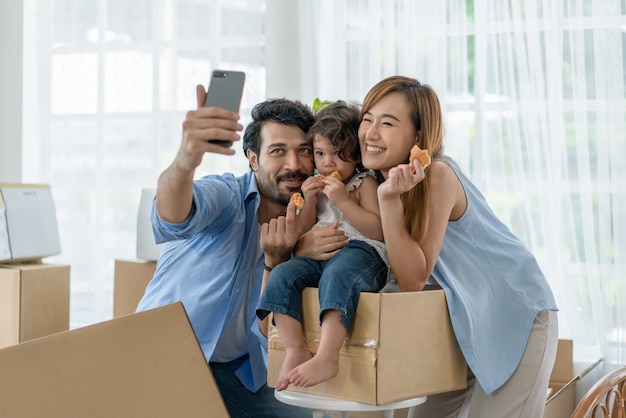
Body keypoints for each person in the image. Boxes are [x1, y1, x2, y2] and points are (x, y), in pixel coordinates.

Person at [353, 75, 559, 417]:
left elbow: (413, 280)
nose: (370, 133)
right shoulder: (375, 181)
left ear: (418, 137)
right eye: (367, 119)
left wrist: (388, 201)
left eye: (387, 123)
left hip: (517, 314)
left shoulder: (438, 176)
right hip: (462, 320)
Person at [135, 84, 316, 418]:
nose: (294, 164)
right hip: (168, 359)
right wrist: (187, 159)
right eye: (277, 151)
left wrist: (281, 259)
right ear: (253, 159)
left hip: (244, 370)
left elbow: (276, 327)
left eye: (304, 151)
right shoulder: (226, 197)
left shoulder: (312, 220)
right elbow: (172, 214)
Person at [256, 101, 389, 391]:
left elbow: (379, 230)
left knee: (337, 274)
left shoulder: (363, 184)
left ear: (356, 157)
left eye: (338, 155)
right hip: (319, 256)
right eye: (319, 154)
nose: (328, 163)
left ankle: (328, 355)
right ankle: (294, 349)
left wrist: (342, 200)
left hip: (361, 252)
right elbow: (303, 232)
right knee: (283, 274)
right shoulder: (314, 185)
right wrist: (310, 200)